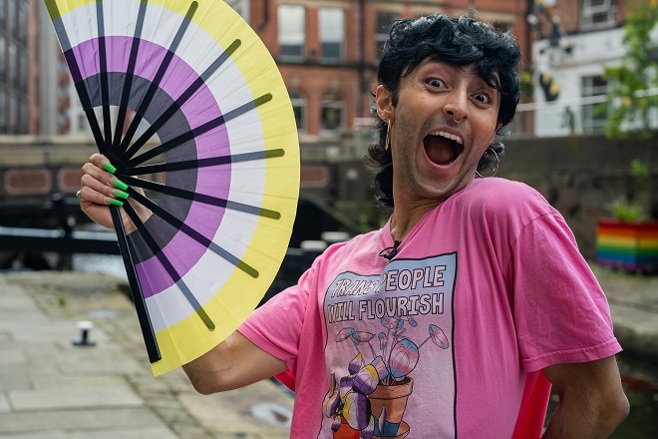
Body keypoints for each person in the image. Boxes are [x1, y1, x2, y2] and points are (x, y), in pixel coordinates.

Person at [78, 14, 629, 439]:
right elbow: (213, 367)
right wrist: (139, 228)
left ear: (492, 128)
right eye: (437, 83)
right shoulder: (333, 268)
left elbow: (600, 400)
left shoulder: (507, 214)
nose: (460, 107)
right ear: (387, 102)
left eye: (482, 98)